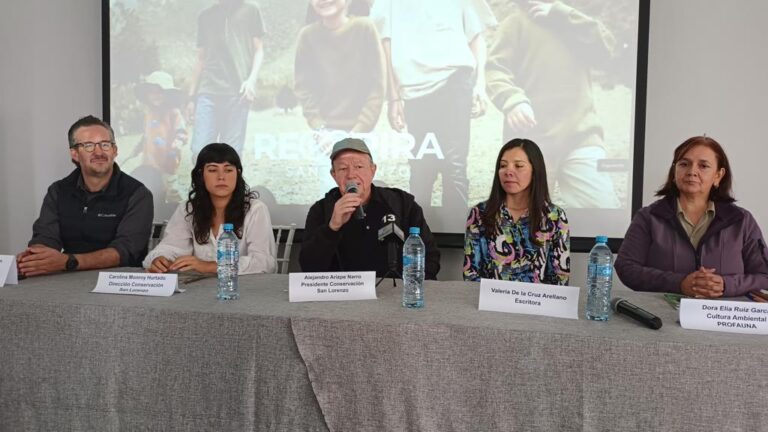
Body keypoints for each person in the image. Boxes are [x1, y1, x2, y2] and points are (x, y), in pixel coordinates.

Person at [485, 0, 620, 208]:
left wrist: (561, 14)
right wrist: (512, 100)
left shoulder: (572, 23)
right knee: (524, 220)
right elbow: (495, 69)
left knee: (602, 209)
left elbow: (606, 49)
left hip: (581, 137)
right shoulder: (514, 25)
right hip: (531, 144)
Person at [370, 0, 496, 218]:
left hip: (456, 79)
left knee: (454, 166)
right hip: (414, 90)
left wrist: (480, 86)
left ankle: (457, 235)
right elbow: (385, 46)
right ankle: (419, 239)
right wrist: (394, 98)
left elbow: (476, 37)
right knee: (421, 169)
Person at [615, 136, 768, 298]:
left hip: (725, 319)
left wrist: (726, 285)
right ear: (674, 172)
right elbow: (626, 268)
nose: (692, 171)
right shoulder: (648, 217)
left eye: (703, 166)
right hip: (660, 318)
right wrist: (679, 283)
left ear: (718, 175)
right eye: (684, 164)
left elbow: (764, 277)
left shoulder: (742, 220)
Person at [17, 115, 154, 277]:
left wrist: (69, 261)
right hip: (66, 280)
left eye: (105, 144)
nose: (99, 152)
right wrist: (36, 257)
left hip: (120, 283)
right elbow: (46, 237)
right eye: (88, 146)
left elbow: (126, 250)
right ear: (74, 154)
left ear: (115, 151)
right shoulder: (58, 191)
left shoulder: (137, 194)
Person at [300, 138, 440, 279]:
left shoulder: (402, 203)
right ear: (334, 175)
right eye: (343, 169)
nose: (351, 175)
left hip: (394, 291)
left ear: (373, 170)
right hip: (341, 294)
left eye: (359, 167)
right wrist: (332, 227)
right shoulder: (321, 210)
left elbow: (430, 258)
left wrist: (408, 288)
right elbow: (309, 269)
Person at [143, 143, 277, 275]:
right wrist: (159, 259)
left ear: (238, 173)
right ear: (201, 175)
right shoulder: (188, 208)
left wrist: (211, 266)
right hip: (197, 290)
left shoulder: (255, 209)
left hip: (242, 290)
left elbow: (264, 263)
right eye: (213, 170)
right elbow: (171, 247)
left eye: (228, 170)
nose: (221, 177)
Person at [464, 138, 569, 284]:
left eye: (518, 166)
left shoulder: (554, 216)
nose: (508, 172)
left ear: (535, 171)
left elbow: (560, 278)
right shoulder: (480, 213)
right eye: (503, 166)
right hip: (489, 303)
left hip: (537, 304)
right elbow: (470, 273)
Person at [294, 0, 385, 142]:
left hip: (362, 135)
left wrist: (359, 132)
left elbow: (377, 86)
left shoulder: (365, 28)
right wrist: (319, 129)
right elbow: (303, 87)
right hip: (325, 137)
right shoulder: (307, 36)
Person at [187, 0, 266, 156]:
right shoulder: (205, 16)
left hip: (238, 94)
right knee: (199, 151)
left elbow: (259, 51)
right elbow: (201, 58)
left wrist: (251, 81)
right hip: (208, 92)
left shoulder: (251, 10)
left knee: (231, 155)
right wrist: (191, 97)